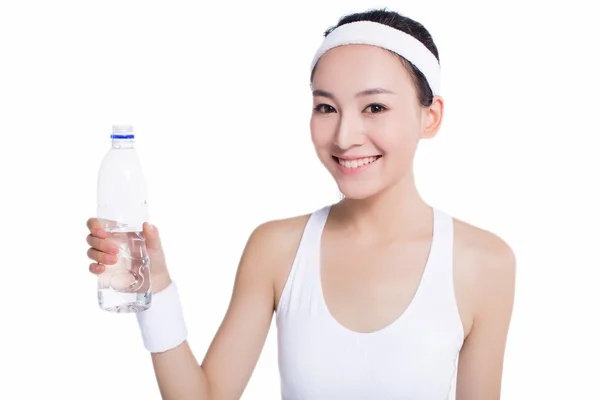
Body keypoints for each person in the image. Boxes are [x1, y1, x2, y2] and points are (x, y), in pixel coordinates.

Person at [86, 8, 516, 399]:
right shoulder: (276, 249)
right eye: (326, 107)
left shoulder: (483, 263)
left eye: (375, 106)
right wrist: (155, 287)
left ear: (431, 116)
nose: (345, 136)